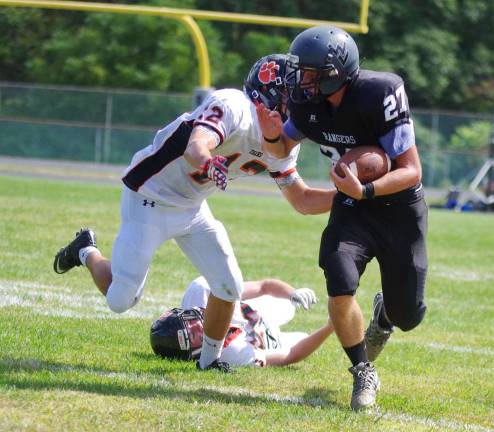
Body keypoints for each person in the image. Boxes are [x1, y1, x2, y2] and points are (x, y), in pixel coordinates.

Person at [53, 54, 336, 373]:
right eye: (296, 95)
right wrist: (207, 161)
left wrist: (350, 196)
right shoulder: (234, 105)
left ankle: (209, 360)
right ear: (270, 94)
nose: (304, 104)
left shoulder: (282, 144)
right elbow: (196, 146)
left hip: (192, 207)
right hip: (149, 197)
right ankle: (86, 250)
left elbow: (302, 200)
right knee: (121, 300)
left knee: (229, 285)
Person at [256, 26, 428, 410]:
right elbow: (284, 143)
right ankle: (362, 370)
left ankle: (385, 315)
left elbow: (412, 170)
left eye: (311, 73)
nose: (301, 81)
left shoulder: (380, 92)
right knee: (339, 278)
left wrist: (366, 189)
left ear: (337, 71)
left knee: (408, 315)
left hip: (399, 208)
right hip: (353, 208)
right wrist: (271, 138)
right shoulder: (306, 105)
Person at [150, 276, 333, 368]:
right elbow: (290, 355)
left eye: (190, 320)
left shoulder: (201, 291)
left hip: (256, 311)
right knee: (301, 338)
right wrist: (329, 327)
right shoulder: (232, 355)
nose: (198, 323)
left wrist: (292, 293)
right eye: (195, 333)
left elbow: (264, 286)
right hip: (267, 338)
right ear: (195, 352)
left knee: (288, 304)